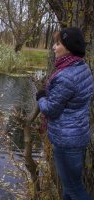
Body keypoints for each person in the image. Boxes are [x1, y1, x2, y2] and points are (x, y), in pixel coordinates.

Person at [36, 27, 94, 200]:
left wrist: (40, 98)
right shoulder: (82, 68)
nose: (54, 47)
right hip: (77, 135)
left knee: (75, 189)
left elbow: (51, 110)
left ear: (68, 48)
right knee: (69, 189)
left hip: (66, 141)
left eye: (58, 43)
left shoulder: (66, 76)